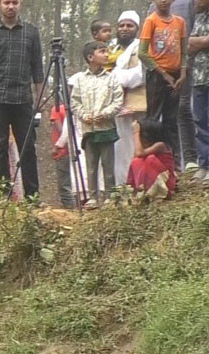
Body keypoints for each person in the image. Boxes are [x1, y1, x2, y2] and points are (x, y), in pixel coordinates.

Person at [0, 0, 44, 200]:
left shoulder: (31, 32)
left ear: (20, 4)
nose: (10, 6)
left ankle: (32, 196)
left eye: (14, 2)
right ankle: (4, 195)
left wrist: (39, 99)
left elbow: (37, 68)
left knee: (27, 146)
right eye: (7, 2)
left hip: (23, 98)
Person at [148, 0, 199, 172]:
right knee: (159, 116)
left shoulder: (188, 3)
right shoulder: (153, 9)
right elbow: (148, 44)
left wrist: (185, 67)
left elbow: (189, 38)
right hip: (159, 71)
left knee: (184, 109)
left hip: (185, 65)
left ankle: (190, 158)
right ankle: (165, 163)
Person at [72, 40, 124, 207]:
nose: (106, 55)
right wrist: (84, 115)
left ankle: (110, 196)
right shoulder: (80, 80)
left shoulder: (111, 79)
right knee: (91, 166)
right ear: (90, 57)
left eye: (107, 51)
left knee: (108, 164)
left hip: (106, 128)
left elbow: (118, 100)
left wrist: (105, 114)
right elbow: (75, 102)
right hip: (88, 129)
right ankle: (93, 197)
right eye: (102, 52)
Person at [140, 0, 189, 159]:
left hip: (176, 75)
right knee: (152, 119)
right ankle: (150, 157)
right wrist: (163, 74)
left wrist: (182, 74)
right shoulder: (151, 20)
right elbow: (142, 53)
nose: (164, 2)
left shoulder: (179, 22)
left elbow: (184, 50)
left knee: (171, 118)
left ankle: (173, 160)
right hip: (157, 75)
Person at [113, 11, 149, 184]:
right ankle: (122, 187)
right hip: (115, 107)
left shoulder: (141, 47)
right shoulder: (111, 49)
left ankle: (139, 184)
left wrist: (113, 78)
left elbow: (139, 75)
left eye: (129, 25)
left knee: (136, 146)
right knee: (119, 148)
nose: (124, 29)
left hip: (136, 105)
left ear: (137, 28)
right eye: (121, 25)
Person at [128, 118, 179, 197]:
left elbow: (139, 153)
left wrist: (136, 133)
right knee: (136, 161)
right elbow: (136, 156)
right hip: (150, 182)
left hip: (165, 181)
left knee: (150, 159)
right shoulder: (145, 148)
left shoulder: (160, 145)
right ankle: (139, 190)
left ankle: (163, 191)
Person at [189, 0, 209, 176]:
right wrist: (203, 41)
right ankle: (204, 164)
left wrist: (198, 42)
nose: (195, 2)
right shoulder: (199, 17)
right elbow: (188, 45)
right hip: (199, 78)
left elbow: (194, 43)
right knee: (200, 120)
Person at [51, 100, 77, 208]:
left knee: (64, 185)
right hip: (73, 150)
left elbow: (61, 130)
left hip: (62, 151)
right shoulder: (73, 110)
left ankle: (70, 208)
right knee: (73, 182)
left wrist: (58, 146)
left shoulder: (56, 109)